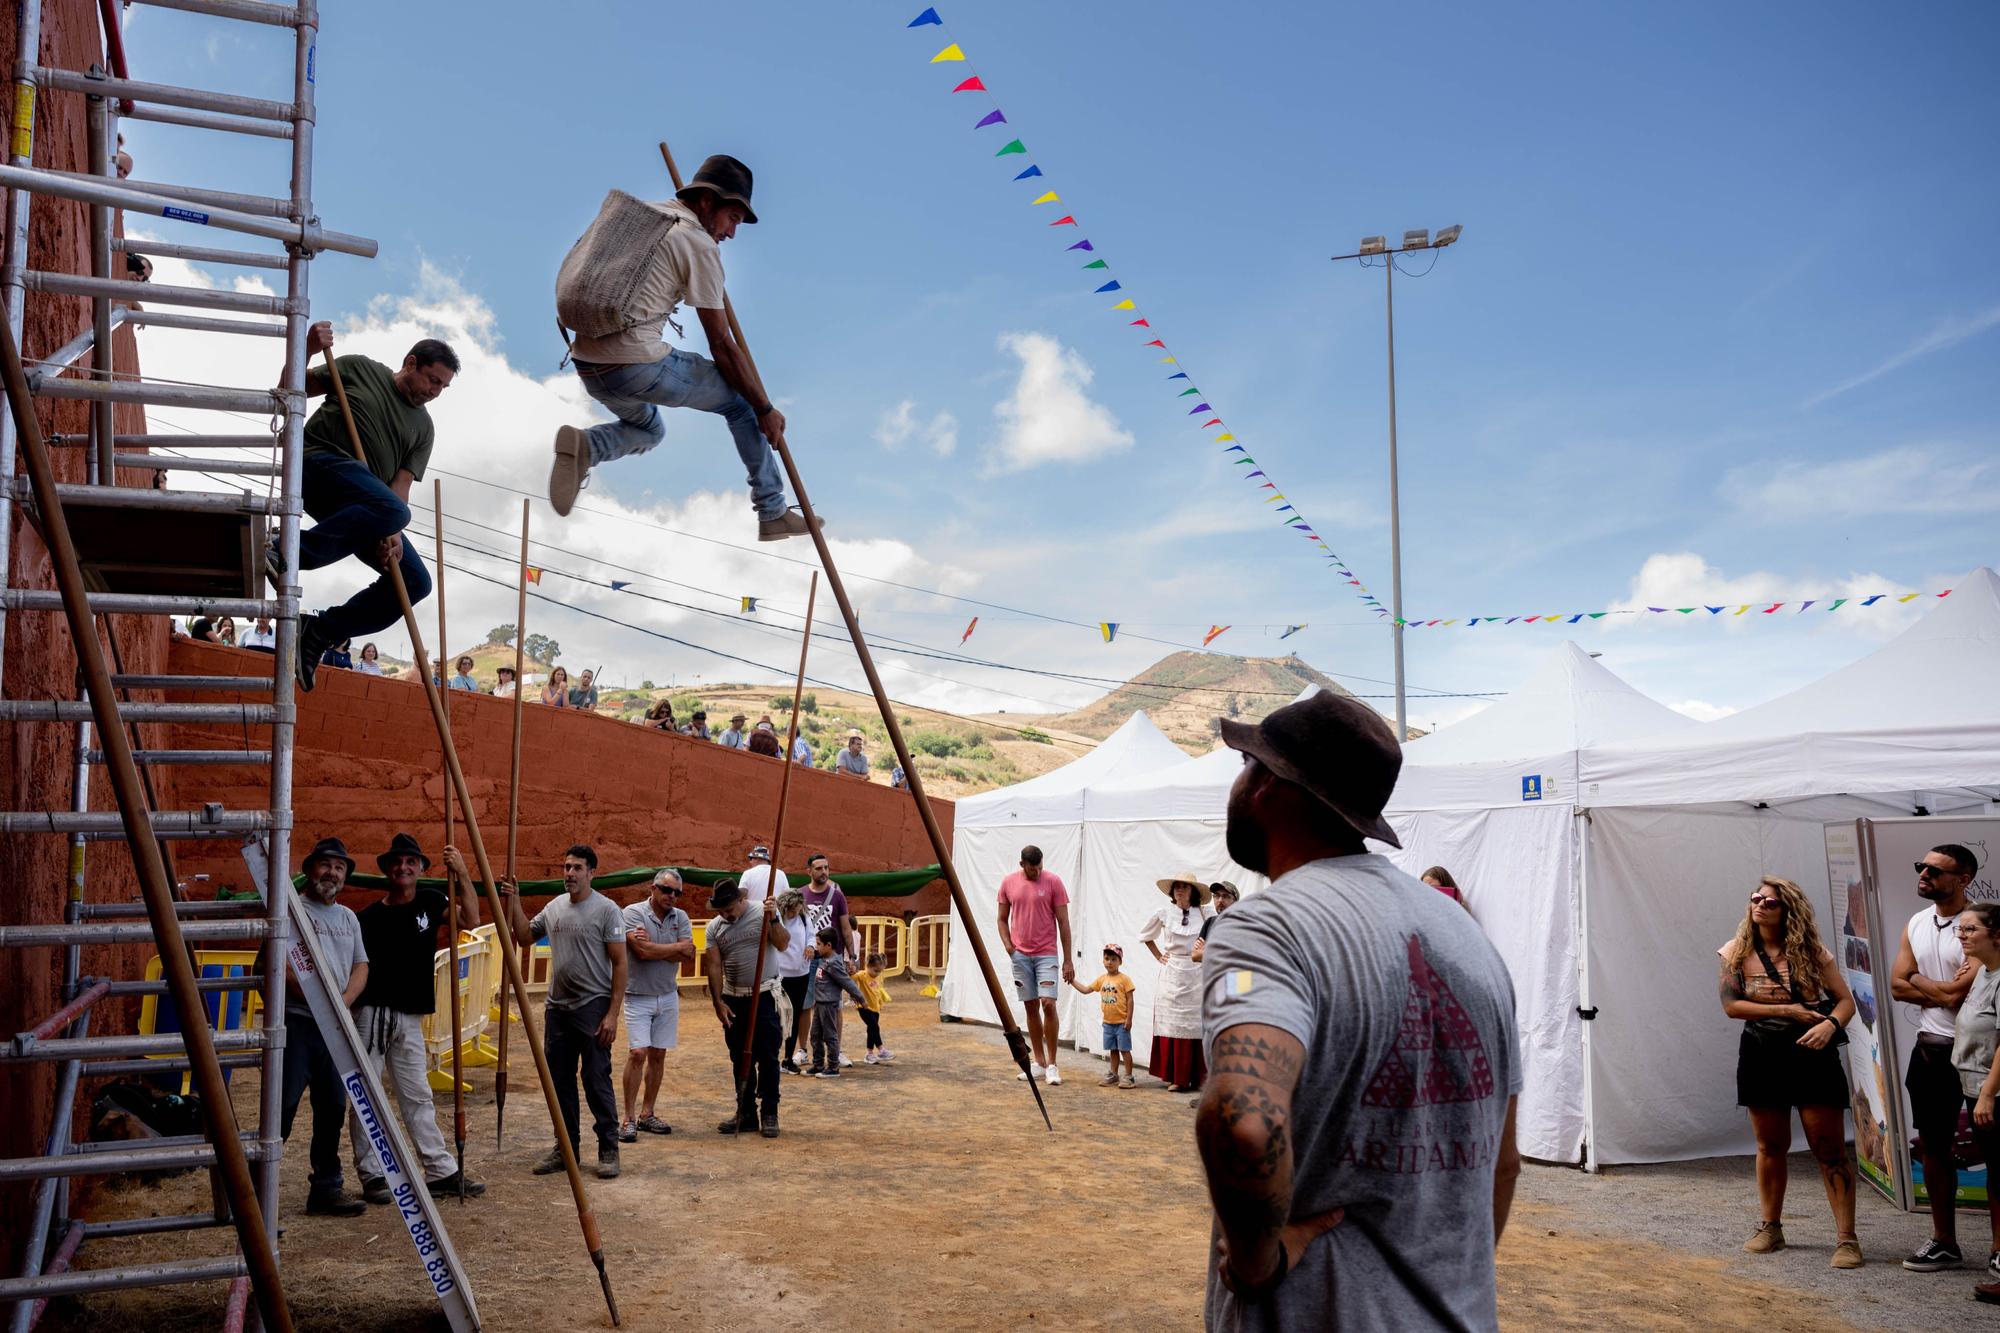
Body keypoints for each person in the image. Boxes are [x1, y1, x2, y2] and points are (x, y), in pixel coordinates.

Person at [1196, 691, 1521, 1330]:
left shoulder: (1266, 929)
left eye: (1246, 764)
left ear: (1268, 786)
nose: (1237, 781)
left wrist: (1259, 1265)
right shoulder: (1467, 938)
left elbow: (1243, 1123)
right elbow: (1503, 1163)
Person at [549, 153, 816, 541]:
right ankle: (772, 511)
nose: (731, 233)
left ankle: (588, 446)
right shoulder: (698, 243)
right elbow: (722, 345)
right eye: (733, 219)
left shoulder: (647, 217)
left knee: (648, 430)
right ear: (707, 201)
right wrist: (764, 408)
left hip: (589, 365)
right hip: (634, 366)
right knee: (742, 402)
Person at [285, 322, 456, 693]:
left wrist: (391, 534)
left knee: (414, 582)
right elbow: (290, 388)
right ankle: (292, 551)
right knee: (393, 510)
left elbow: (400, 488)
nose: (435, 392)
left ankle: (320, 631)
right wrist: (308, 348)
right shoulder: (360, 369)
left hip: (364, 508)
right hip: (317, 464)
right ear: (410, 362)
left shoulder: (423, 429)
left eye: (443, 387)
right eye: (433, 380)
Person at [1717, 876, 1860, 1268]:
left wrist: (1830, 1025)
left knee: (1828, 1147)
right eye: (1755, 898)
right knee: (1770, 1145)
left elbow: (1846, 1003)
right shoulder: (1735, 951)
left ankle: (1847, 1239)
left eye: (1770, 901)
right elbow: (1732, 1007)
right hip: (1763, 1052)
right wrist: (1787, 1010)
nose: (1760, 905)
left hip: (1812, 1051)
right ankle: (1770, 1227)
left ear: (1788, 910)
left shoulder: (1813, 952)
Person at [352, 835, 486, 1202]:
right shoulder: (368, 918)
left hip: (410, 1017)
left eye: (411, 862)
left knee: (418, 1096)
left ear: (422, 868)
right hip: (374, 1012)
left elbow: (471, 919)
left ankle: (440, 1170)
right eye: (397, 862)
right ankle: (372, 1174)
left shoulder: (431, 899)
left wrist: (461, 872)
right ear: (386, 869)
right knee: (368, 1093)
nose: (403, 867)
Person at [495, 843, 628, 1180]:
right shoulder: (554, 907)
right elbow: (524, 936)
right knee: (560, 1083)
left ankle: (608, 1148)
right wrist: (514, 900)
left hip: (593, 1006)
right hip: (558, 1010)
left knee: (596, 1078)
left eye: (577, 868)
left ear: (592, 872)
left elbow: (620, 962)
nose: (569, 873)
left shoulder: (607, 910)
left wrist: (612, 1014)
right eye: (566, 867)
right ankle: (565, 1147)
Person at [1893, 843, 1985, 1272]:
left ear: (1963, 880)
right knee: (1933, 1146)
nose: (1924, 874)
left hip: (1978, 1056)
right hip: (1929, 1050)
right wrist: (1938, 987)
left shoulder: (1980, 927)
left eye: (1935, 870)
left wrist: (1921, 981)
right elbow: (1897, 985)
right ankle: (1944, 1242)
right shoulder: (1916, 921)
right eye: (1921, 866)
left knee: (1994, 1152)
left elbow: (1957, 995)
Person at [281, 838, 370, 1216]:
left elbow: (360, 967)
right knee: (281, 1107)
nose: (331, 872)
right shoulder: (291, 912)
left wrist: (343, 1002)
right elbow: (276, 967)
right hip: (298, 1025)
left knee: (332, 1107)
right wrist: (318, 1002)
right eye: (325, 864)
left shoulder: (349, 917)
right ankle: (253, 1188)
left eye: (339, 867)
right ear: (309, 868)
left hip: (335, 1028)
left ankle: (326, 1188)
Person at [702, 879, 788, 1137]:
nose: (725, 914)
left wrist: (773, 918)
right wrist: (718, 1002)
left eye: (728, 908)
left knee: (768, 1056)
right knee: (739, 1057)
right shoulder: (714, 928)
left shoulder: (765, 912)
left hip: (764, 995)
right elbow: (714, 966)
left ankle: (770, 1112)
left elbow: (782, 943)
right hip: (734, 998)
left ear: (741, 900)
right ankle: (746, 1112)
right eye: (720, 910)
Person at [619, 869, 696, 1142]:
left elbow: (689, 953)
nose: (672, 896)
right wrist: (672, 949)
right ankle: (628, 1117)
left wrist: (654, 948)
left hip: (667, 995)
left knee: (658, 1054)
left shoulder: (681, 917)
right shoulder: (633, 913)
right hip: (637, 995)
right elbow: (641, 952)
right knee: (638, 1053)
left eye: (677, 892)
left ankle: (646, 1113)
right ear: (652, 888)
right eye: (666, 890)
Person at [1950, 903, 2000, 1300]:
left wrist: (1988, 1094)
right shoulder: (1983, 971)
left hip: (1993, 1092)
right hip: (1975, 1085)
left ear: (1996, 935)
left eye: (1971, 929)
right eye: (1960, 929)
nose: (1962, 935)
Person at [996, 844, 1072, 1087]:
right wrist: (1009, 947)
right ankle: (1038, 1062)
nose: (1037, 871)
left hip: (1046, 954)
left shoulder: (1054, 882)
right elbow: (1001, 918)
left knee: (1048, 1004)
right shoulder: (1009, 883)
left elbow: (1064, 922)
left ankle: (1052, 1064)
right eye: (1032, 868)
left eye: (1040, 867)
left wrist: (1068, 959)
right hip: (1020, 956)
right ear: (1022, 865)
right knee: (1030, 1006)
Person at [1141, 874, 1213, 1093]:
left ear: (1193, 892)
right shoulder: (1164, 913)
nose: (1180, 890)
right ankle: (1176, 1076)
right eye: (1177, 887)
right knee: (1173, 1024)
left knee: (1194, 1024)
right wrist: (1159, 956)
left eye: (1185, 887)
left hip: (1196, 971)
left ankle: (1197, 1077)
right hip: (1172, 972)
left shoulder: (1205, 914)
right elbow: (1145, 935)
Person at [1070, 944, 1137, 1088]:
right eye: (1107, 959)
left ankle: (1129, 1076)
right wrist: (1072, 981)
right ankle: (1114, 1074)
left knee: (1124, 1049)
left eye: (1114, 959)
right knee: (1113, 1049)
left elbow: (1130, 1000)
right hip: (1108, 1023)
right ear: (1103, 960)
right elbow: (1086, 990)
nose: (1110, 962)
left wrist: (1129, 1019)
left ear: (1120, 962)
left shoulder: (1125, 979)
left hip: (1121, 1023)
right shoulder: (1101, 979)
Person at [807, 928, 867, 1078]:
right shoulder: (822, 960)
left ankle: (833, 1067)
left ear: (828, 945)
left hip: (829, 1005)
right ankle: (818, 1064)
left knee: (830, 1035)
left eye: (819, 944)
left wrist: (860, 998)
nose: (817, 947)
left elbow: (847, 982)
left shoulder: (833, 963)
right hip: (819, 1004)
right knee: (815, 1035)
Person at [773, 890, 815, 1074]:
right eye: (792, 911)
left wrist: (810, 946)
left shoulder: (805, 918)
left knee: (795, 1015)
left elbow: (811, 935)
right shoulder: (778, 919)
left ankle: (788, 1058)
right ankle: (771, 1056)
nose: (795, 914)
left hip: (801, 972)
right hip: (781, 974)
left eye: (798, 910)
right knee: (777, 1017)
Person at [855, 951, 894, 1065]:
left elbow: (876, 991)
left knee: (872, 1029)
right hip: (864, 1007)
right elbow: (850, 979)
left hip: (875, 1008)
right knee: (874, 1027)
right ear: (867, 966)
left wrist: (880, 1003)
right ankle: (881, 1049)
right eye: (875, 970)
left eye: (880, 971)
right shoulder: (861, 975)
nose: (877, 973)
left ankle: (869, 1053)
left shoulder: (876, 977)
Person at [1193, 881, 1240, 963]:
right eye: (1217, 896)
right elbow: (1195, 956)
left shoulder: (1244, 924)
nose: (1220, 900)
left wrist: (1206, 952)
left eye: (1225, 896)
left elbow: (1240, 956)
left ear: (1235, 901)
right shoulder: (1209, 922)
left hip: (1238, 975)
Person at [738, 843, 786, 909]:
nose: (750, 862)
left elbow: (741, 894)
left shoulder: (748, 873)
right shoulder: (781, 874)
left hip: (754, 914)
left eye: (751, 858)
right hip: (775, 914)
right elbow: (787, 896)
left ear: (756, 858)